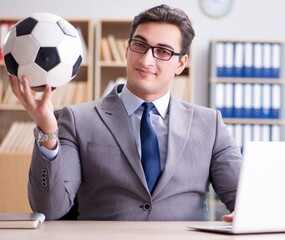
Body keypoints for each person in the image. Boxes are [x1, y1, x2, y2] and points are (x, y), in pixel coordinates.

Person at [9, 4, 242, 221]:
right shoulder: (76, 119)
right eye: (140, 45)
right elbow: (49, 209)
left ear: (181, 64)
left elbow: (243, 197)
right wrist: (47, 131)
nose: (146, 59)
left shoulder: (210, 124)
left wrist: (248, 212)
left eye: (163, 51)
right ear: (127, 50)